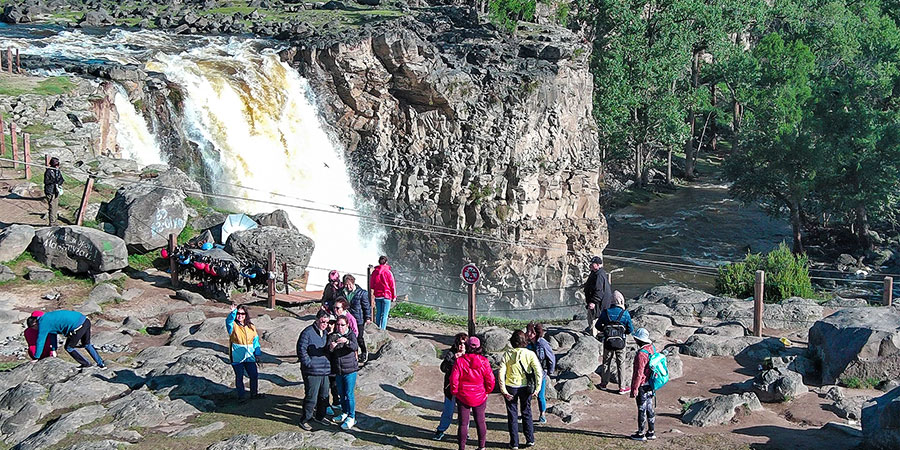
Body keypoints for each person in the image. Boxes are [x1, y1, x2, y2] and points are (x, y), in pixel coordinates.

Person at [499, 330, 543, 449]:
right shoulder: (530, 354)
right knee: (527, 412)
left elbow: (501, 373)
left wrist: (503, 390)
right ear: (524, 341)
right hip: (526, 387)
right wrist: (538, 388)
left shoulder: (507, 354)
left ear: (513, 342)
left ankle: (514, 443)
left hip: (510, 386)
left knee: (512, 415)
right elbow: (538, 372)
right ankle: (530, 439)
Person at [450, 336, 494, 450]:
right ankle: (482, 446)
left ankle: (462, 447)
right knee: (480, 421)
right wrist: (487, 391)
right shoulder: (484, 361)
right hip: (480, 395)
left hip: (463, 396)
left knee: (463, 424)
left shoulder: (460, 361)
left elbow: (454, 379)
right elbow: (490, 379)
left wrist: (455, 392)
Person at [27, 310, 103, 368]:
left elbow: (40, 341)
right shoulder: (47, 317)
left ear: (34, 324)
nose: (37, 330)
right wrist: (53, 349)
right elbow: (53, 334)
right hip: (85, 320)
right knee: (87, 344)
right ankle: (101, 364)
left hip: (77, 326)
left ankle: (86, 364)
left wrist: (36, 357)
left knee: (69, 347)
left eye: (35, 329)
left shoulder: (43, 323)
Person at [297, 309, 333, 430]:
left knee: (324, 396)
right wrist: (308, 363)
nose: (325, 324)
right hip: (312, 371)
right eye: (323, 321)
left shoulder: (326, 333)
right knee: (311, 397)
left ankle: (320, 417)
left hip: (324, 370)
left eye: (327, 322)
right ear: (317, 320)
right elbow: (301, 349)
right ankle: (305, 419)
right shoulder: (307, 332)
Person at [597, 291, 634, 394]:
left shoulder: (606, 312)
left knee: (606, 362)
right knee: (621, 363)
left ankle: (603, 384)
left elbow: (597, 326)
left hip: (608, 341)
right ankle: (622, 387)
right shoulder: (625, 313)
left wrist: (605, 329)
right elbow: (630, 329)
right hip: (621, 342)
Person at [327, 315, 359, 431]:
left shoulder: (350, 335)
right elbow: (328, 351)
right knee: (341, 393)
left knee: (349, 394)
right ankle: (344, 412)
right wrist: (331, 347)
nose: (340, 327)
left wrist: (347, 342)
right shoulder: (333, 336)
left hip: (350, 370)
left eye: (342, 325)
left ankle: (352, 416)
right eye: (338, 325)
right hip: (338, 370)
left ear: (347, 325)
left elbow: (355, 346)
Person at [433, 332, 467, 441]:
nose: (462, 346)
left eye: (464, 343)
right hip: (450, 388)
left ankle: (463, 432)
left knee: (464, 413)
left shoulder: (470, 354)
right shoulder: (451, 353)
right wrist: (453, 360)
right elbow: (443, 367)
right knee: (448, 410)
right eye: (460, 343)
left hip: (465, 388)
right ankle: (441, 430)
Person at [226, 304, 262, 399]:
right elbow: (228, 320)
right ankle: (241, 396)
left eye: (242, 313)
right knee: (239, 377)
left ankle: (254, 394)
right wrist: (233, 312)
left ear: (246, 315)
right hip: (237, 356)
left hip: (249, 356)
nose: (240, 315)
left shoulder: (251, 327)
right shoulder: (232, 326)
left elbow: (256, 341)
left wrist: (257, 354)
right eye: (238, 313)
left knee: (254, 375)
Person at [630, 328, 657, 441]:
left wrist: (634, 388)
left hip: (642, 384)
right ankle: (651, 432)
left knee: (641, 408)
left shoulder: (641, 354)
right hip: (651, 383)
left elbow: (638, 373)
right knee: (649, 407)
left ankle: (641, 433)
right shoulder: (652, 348)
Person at [526, 323, 555, 424]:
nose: (527, 333)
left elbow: (551, 357)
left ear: (535, 333)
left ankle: (542, 414)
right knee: (527, 393)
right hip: (530, 373)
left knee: (540, 395)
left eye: (529, 331)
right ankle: (526, 414)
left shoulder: (542, 343)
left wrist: (550, 371)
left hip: (541, 373)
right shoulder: (528, 344)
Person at [342, 274, 371, 363]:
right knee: (349, 336)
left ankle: (364, 352)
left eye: (350, 284)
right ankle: (352, 354)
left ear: (353, 283)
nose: (348, 286)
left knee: (359, 337)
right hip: (347, 318)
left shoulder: (362, 293)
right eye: (346, 284)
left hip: (358, 319)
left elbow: (366, 306)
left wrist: (368, 317)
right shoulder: (342, 292)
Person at [583, 255, 614, 337]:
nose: (590, 265)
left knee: (594, 320)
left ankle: (594, 337)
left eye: (592, 264)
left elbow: (599, 290)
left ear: (597, 264)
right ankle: (594, 335)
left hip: (598, 303)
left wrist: (593, 302)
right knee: (592, 319)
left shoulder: (599, 275)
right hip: (598, 301)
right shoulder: (596, 273)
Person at [369, 256, 396, 330]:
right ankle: (383, 330)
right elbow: (392, 285)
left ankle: (377, 328)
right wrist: (394, 296)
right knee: (385, 315)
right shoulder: (388, 272)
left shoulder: (375, 272)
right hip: (386, 295)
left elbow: (372, 285)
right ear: (386, 262)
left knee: (378, 313)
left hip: (378, 295)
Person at [43, 156, 64, 226]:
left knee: (55, 206)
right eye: (57, 164)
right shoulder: (48, 171)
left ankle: (55, 221)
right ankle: (52, 222)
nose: (58, 166)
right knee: (52, 206)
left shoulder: (58, 171)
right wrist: (54, 181)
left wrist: (59, 182)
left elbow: (61, 179)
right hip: (50, 191)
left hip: (56, 191)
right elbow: (46, 181)